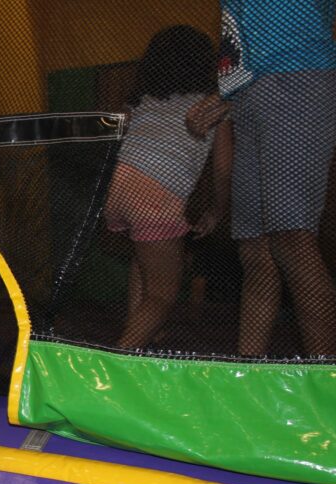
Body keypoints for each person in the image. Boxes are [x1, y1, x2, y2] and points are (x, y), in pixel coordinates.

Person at [187, 0, 336, 357]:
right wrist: (229, 93)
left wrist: (224, 92)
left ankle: (331, 379)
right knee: (255, 246)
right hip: (251, 90)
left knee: (291, 235)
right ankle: (249, 370)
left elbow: (283, 34)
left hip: (297, 76)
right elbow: (246, 33)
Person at [104, 25, 232, 350]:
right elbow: (222, 166)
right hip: (155, 198)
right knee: (163, 295)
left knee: (144, 259)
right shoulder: (212, 106)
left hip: (118, 190)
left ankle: (139, 342)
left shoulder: (143, 101)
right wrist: (217, 210)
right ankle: (122, 354)